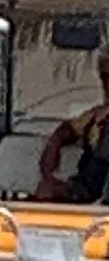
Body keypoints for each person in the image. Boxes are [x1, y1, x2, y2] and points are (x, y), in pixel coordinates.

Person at [36, 50, 109, 204]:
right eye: (105, 76)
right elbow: (62, 133)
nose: (106, 83)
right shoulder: (94, 117)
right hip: (88, 195)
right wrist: (48, 175)